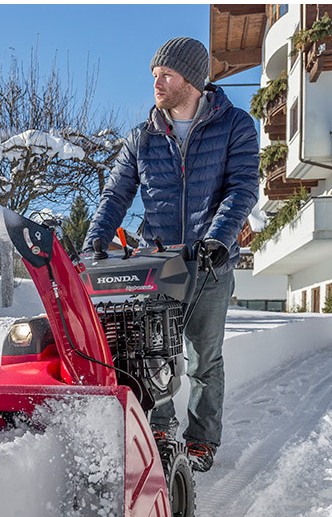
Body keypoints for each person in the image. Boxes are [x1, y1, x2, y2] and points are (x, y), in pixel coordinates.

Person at [83, 37, 259, 472]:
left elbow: (242, 188)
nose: (157, 84)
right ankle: (159, 429)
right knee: (150, 352)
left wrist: (219, 238)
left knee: (203, 358)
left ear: (192, 80)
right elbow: (115, 195)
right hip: (156, 265)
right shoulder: (143, 136)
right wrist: (93, 243)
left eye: (167, 75)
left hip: (210, 261)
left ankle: (201, 440)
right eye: (154, 76)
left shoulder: (235, 125)